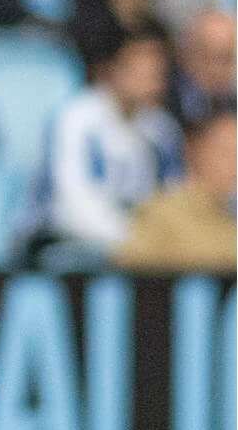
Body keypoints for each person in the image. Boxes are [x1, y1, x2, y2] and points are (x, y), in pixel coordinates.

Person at [42, 29, 181, 257]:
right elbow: (72, 205)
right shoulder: (77, 117)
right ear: (112, 69)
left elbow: (174, 196)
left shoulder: (162, 128)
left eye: (157, 72)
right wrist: (135, 239)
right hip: (72, 242)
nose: (151, 80)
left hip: (144, 247)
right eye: (140, 70)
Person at [116, 109, 236, 273]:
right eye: (225, 153)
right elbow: (129, 273)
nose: (233, 165)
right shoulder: (162, 212)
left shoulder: (230, 217)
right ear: (195, 151)